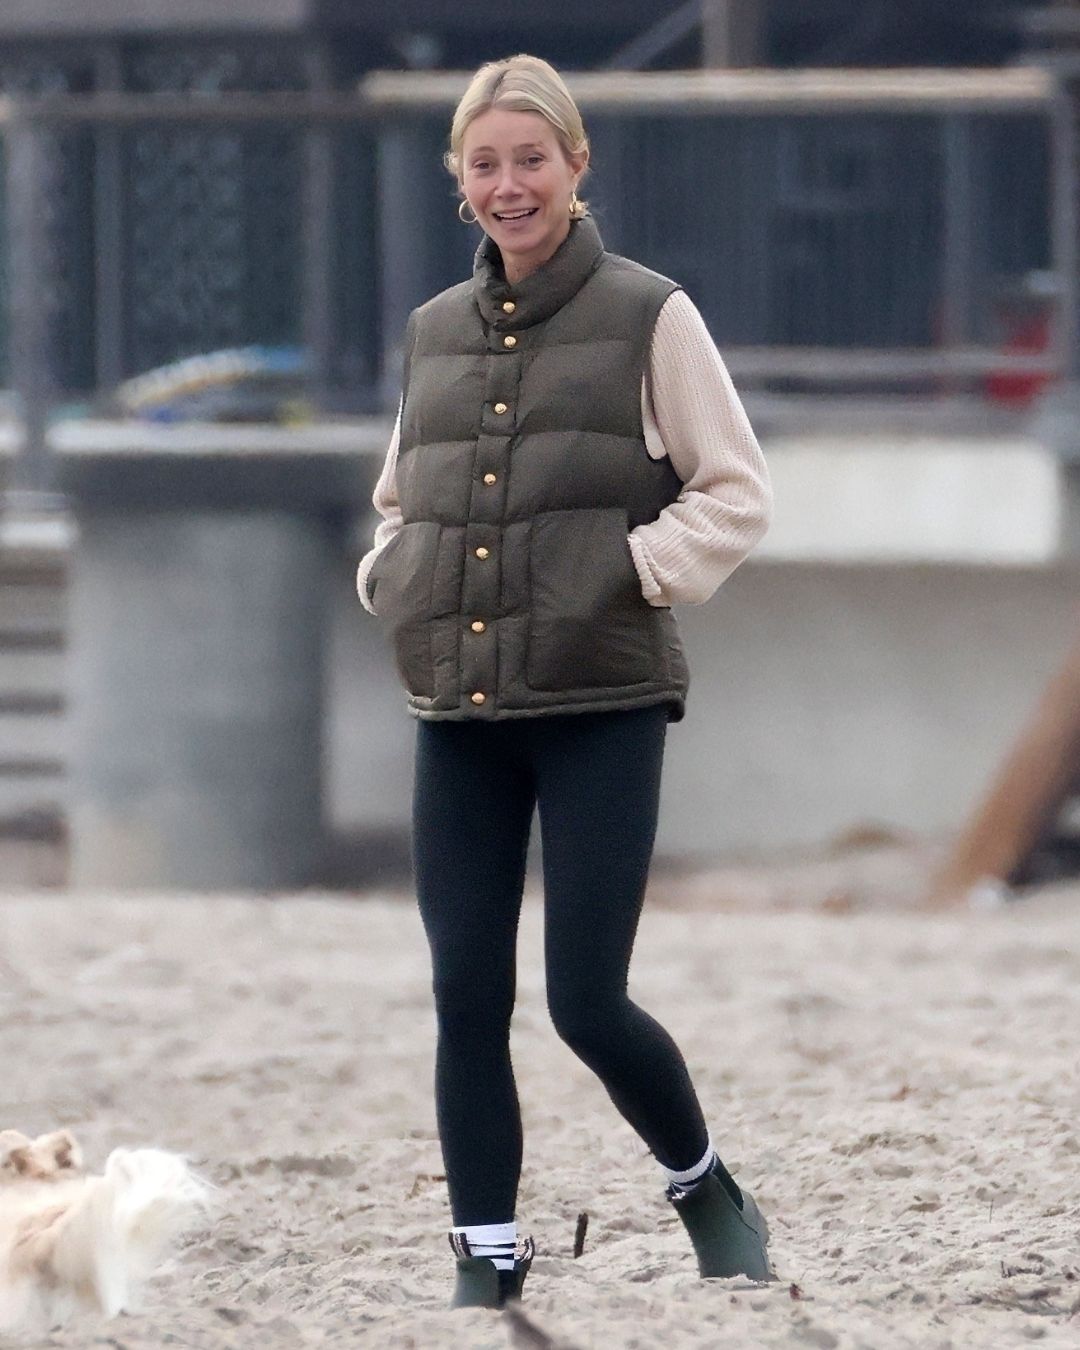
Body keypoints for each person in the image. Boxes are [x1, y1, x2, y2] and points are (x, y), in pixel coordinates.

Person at [356, 54, 774, 1309]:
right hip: (459, 714)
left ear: (577, 166)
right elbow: (397, 500)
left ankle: (706, 1187)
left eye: (530, 158)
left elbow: (736, 493)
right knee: (462, 994)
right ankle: (487, 1259)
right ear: (459, 182)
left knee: (587, 1001)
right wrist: (397, 577)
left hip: (602, 706)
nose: (508, 184)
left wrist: (627, 571)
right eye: (484, 164)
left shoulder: (653, 314)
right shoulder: (433, 331)